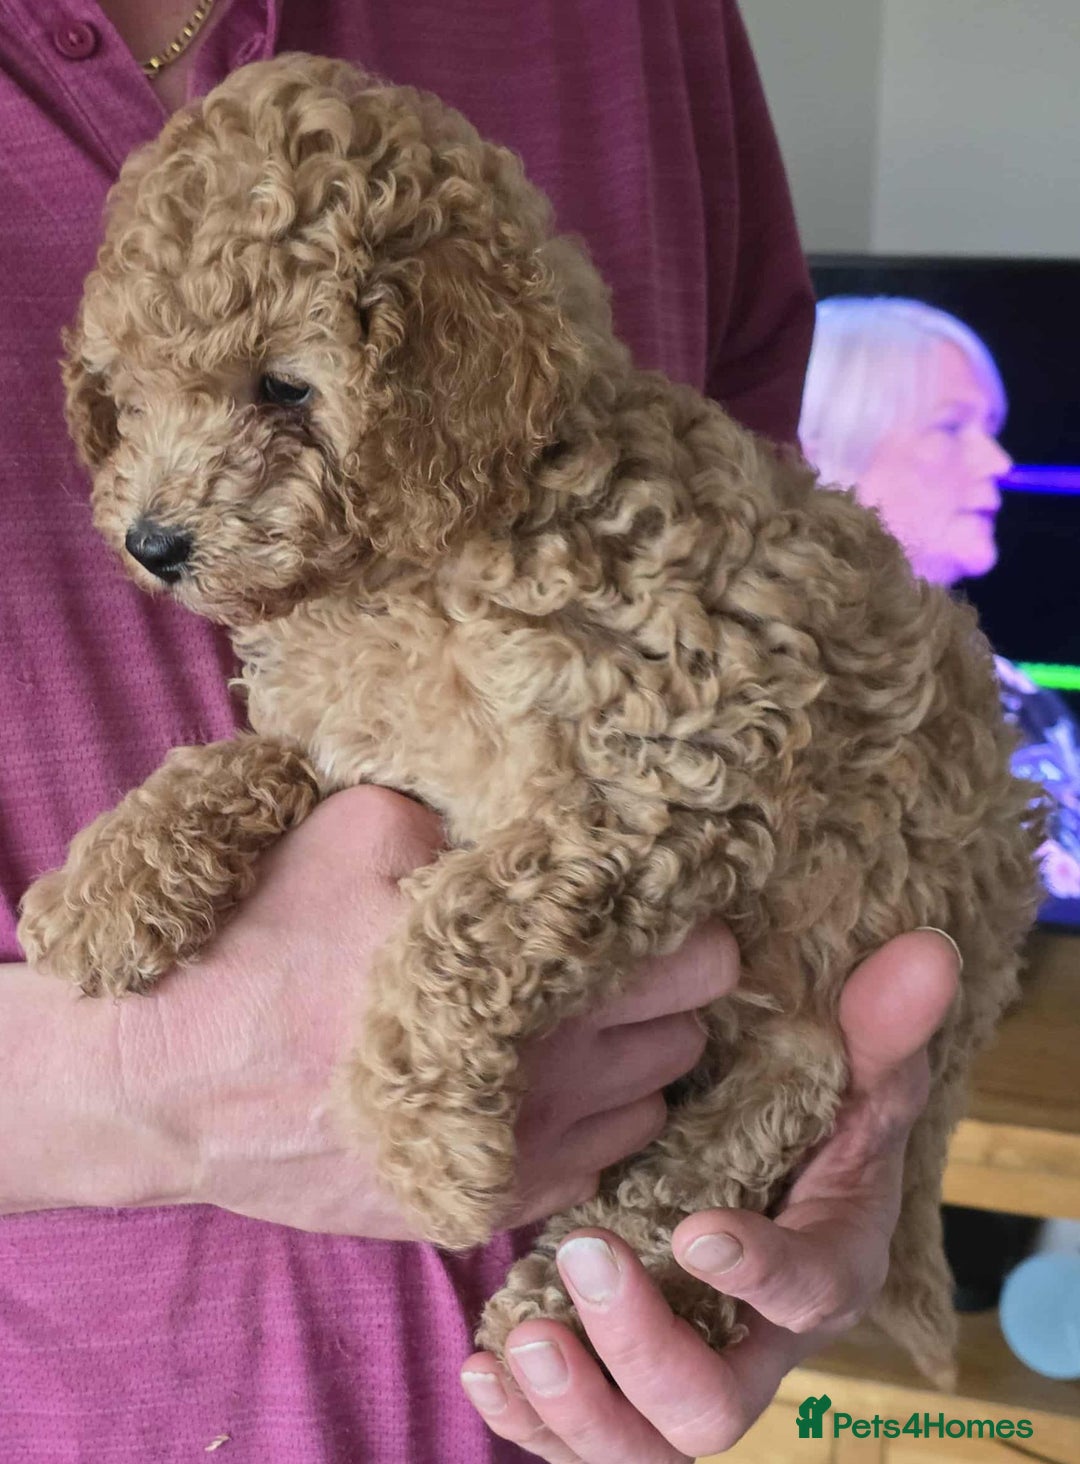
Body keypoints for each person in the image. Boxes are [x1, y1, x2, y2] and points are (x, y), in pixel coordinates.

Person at [0, 5, 958, 1461]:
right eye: (132, 404)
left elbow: (776, 679)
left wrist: (844, 1131)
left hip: (579, 1403)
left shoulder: (645, 24)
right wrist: (117, 1086)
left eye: (283, 393)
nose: (156, 502)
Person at [799, 297, 1080, 906]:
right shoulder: (780, 694)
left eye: (992, 430)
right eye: (952, 427)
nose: (998, 462)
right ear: (823, 448)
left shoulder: (1023, 700)